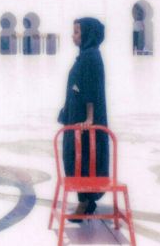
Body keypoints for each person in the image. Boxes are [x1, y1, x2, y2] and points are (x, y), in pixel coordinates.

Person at [57, 17, 109, 222]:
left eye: (77, 32)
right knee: (78, 158)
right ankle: (86, 200)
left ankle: (85, 202)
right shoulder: (87, 55)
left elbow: (91, 90)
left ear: (87, 34)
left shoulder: (90, 57)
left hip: (83, 120)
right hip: (76, 114)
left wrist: (89, 118)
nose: (73, 35)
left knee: (82, 159)